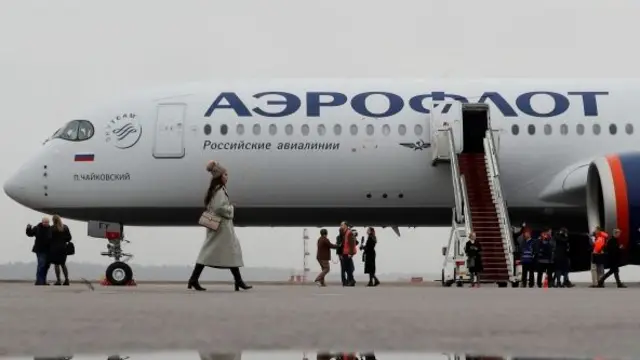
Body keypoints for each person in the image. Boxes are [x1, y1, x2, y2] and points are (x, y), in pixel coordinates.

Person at [188, 161, 252, 292]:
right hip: (221, 227)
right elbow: (219, 207)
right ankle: (238, 281)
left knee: (224, 251)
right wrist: (231, 209)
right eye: (225, 174)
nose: (227, 177)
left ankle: (237, 281)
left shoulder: (216, 190)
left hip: (218, 225)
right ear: (220, 176)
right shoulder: (219, 191)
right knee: (225, 251)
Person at [25, 217, 52, 285]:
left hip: (48, 250)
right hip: (40, 249)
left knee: (46, 266)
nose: (46, 223)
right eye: (45, 222)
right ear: (42, 222)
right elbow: (30, 234)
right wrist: (28, 228)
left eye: (47, 222)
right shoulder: (37, 228)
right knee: (41, 264)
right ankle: (39, 280)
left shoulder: (50, 229)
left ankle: (43, 280)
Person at [49, 215, 72, 285]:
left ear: (53, 220)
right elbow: (69, 238)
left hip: (54, 248)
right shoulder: (65, 227)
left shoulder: (51, 228)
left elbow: (49, 238)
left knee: (56, 264)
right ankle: (67, 280)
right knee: (63, 264)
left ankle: (58, 280)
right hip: (63, 248)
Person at [338, 221, 356, 286]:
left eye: (342, 225)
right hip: (345, 252)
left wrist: (350, 253)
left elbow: (352, 244)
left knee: (348, 268)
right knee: (347, 268)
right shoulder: (344, 233)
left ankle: (352, 280)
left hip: (348, 253)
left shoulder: (349, 233)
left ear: (345, 226)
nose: (340, 226)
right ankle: (352, 280)